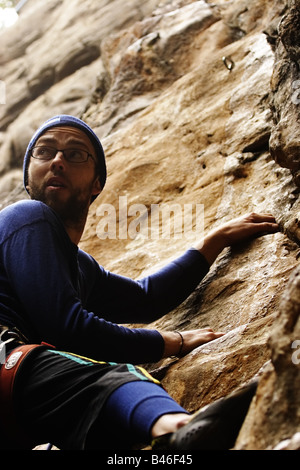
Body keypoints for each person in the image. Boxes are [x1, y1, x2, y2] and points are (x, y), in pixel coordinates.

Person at [0, 115, 279, 450]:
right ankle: (180, 431)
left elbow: (144, 300)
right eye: (44, 152)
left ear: (97, 184)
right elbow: (68, 326)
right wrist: (170, 342)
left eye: (74, 154)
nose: (57, 161)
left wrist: (212, 243)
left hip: (18, 393)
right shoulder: (25, 216)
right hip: (9, 360)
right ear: (29, 179)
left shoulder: (79, 267)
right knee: (117, 377)